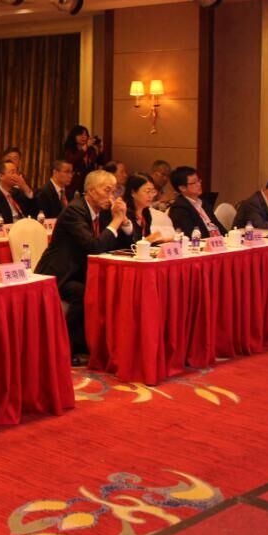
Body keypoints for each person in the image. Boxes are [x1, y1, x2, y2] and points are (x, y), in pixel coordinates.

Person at [35, 170, 132, 363]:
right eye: (107, 190)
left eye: (114, 191)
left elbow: (124, 244)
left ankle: (98, 345)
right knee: (84, 293)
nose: (111, 197)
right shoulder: (75, 211)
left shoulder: (104, 212)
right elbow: (93, 247)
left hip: (83, 271)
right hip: (61, 273)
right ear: (91, 191)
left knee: (112, 288)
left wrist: (124, 222)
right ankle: (66, 348)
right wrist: (115, 221)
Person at [167, 166, 228, 237]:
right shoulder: (179, 208)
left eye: (198, 180)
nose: (199, 184)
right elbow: (192, 234)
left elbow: (219, 226)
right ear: (182, 188)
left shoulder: (204, 203)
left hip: (218, 240)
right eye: (194, 183)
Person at [0, 159, 37, 224]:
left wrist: (25, 187)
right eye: (12, 172)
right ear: (1, 176)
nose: (16, 176)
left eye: (17, 172)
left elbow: (34, 211)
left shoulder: (17, 192)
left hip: (24, 226)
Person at [61, 125, 106, 199]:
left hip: (88, 182)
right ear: (74, 136)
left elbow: (99, 163)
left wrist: (100, 150)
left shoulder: (91, 150)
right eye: (80, 135)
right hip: (74, 183)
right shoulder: (70, 150)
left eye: (85, 135)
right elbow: (71, 161)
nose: (83, 137)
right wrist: (84, 148)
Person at [124, 173, 171, 242]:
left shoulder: (146, 212)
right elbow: (129, 243)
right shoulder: (124, 213)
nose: (151, 196)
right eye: (147, 191)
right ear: (133, 193)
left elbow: (146, 240)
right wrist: (149, 239)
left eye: (153, 191)